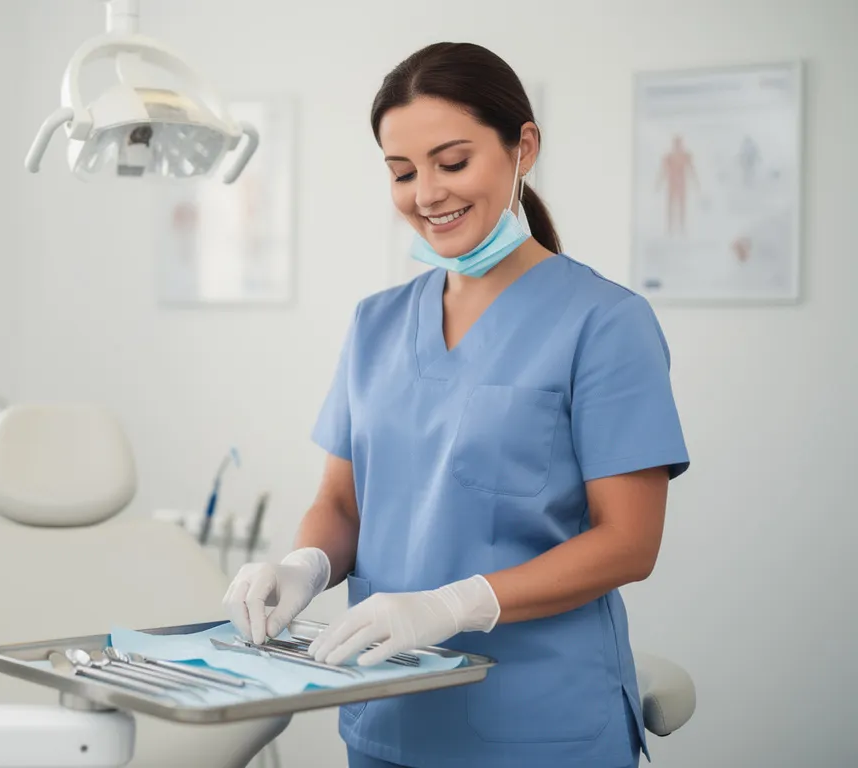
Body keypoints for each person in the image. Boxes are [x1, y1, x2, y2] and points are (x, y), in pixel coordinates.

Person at [222, 42, 689, 768]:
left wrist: (454, 605)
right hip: (389, 720)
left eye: (453, 161)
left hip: (540, 726)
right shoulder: (376, 323)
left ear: (522, 147)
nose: (427, 194)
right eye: (402, 173)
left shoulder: (604, 322)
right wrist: (304, 567)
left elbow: (629, 541)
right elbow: (343, 505)